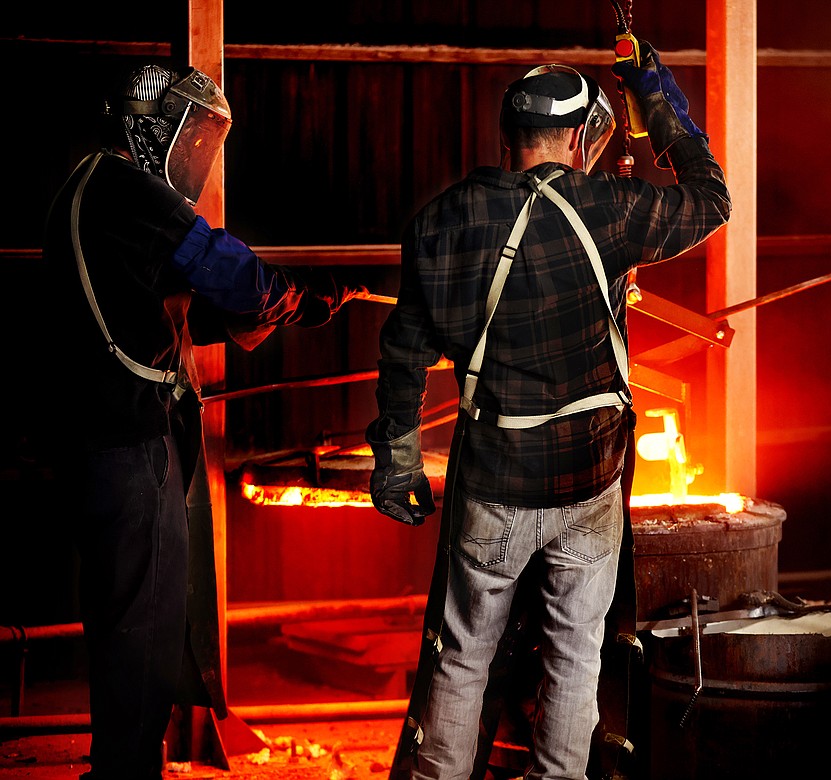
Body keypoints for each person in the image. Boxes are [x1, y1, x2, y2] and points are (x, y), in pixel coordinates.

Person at [366, 44, 730, 779]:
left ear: (511, 134)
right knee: (576, 656)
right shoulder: (607, 211)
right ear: (576, 137)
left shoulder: (442, 223)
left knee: (463, 656)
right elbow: (711, 198)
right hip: (587, 487)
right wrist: (655, 99)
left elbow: (404, 353)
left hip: (493, 484)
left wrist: (398, 462)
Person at [41, 63, 368, 780]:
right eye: (197, 138)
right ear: (155, 129)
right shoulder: (131, 194)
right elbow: (231, 272)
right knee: (144, 639)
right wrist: (292, 295)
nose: (200, 155)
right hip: (126, 448)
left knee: (129, 626)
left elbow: (183, 308)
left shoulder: (91, 188)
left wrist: (301, 304)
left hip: (103, 442)